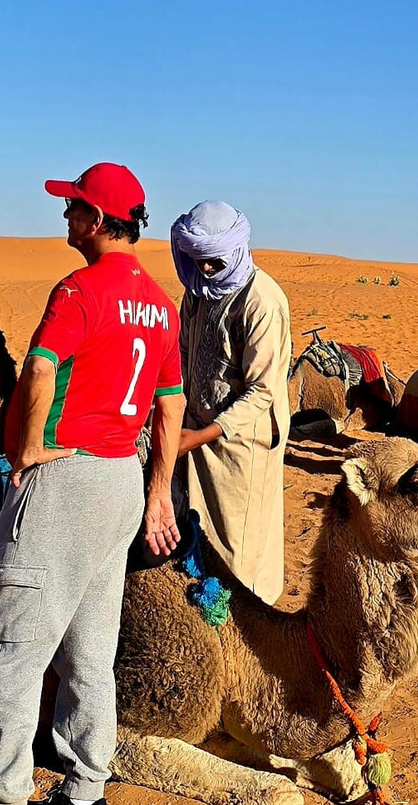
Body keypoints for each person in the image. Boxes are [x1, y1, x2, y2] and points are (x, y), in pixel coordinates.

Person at [0, 162, 185, 805]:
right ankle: (88, 783)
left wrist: (30, 447)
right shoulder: (161, 304)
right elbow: (170, 406)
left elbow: (38, 368)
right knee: (90, 650)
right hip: (122, 480)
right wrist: (156, 492)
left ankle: (7, 792)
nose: (66, 217)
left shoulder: (79, 291)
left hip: (63, 482)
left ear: (98, 220)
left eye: (73, 209)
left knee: (8, 650)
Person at [170, 200, 291, 605]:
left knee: (240, 549)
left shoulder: (261, 302)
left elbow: (261, 391)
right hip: (195, 433)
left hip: (242, 445)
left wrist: (202, 434)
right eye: (197, 261)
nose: (204, 271)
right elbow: (185, 360)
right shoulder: (196, 294)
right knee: (195, 534)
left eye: (213, 262)